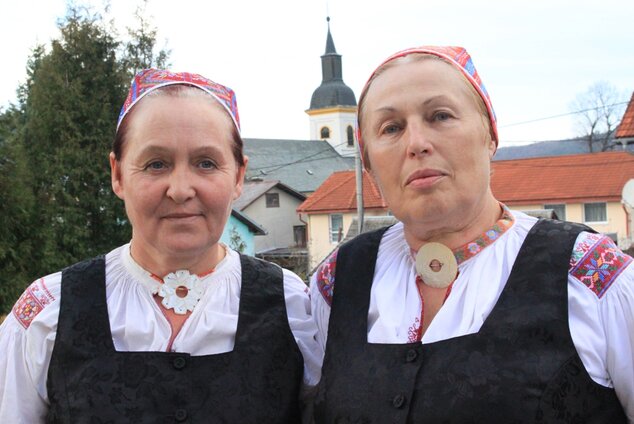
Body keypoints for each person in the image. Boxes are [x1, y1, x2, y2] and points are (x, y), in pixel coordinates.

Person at [310, 46, 633, 422]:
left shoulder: (589, 276)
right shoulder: (337, 284)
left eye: (440, 116)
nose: (416, 143)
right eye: (391, 128)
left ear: (490, 136)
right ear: (369, 165)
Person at [0, 69, 322, 423]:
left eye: (206, 163)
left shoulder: (293, 307)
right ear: (118, 174)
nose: (181, 189)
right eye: (156, 164)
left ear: (239, 177)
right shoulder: (48, 314)